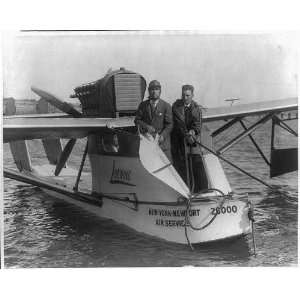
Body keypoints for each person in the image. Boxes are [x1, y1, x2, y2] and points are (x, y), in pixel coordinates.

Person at [171, 84, 207, 191]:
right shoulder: (176, 107)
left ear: (192, 95)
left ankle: (202, 191)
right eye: (183, 95)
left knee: (197, 164)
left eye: (187, 95)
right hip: (179, 142)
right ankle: (185, 191)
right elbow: (178, 124)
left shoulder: (196, 109)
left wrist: (193, 132)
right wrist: (186, 134)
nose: (185, 98)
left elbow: (197, 125)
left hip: (192, 141)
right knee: (182, 168)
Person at [135, 80, 173, 161]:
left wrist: (163, 135)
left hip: (163, 145)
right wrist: (146, 126)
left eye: (156, 89)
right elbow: (137, 120)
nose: (154, 92)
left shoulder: (166, 106)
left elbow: (170, 124)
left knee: (167, 169)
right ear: (149, 91)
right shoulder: (143, 105)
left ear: (160, 91)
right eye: (152, 89)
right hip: (148, 144)